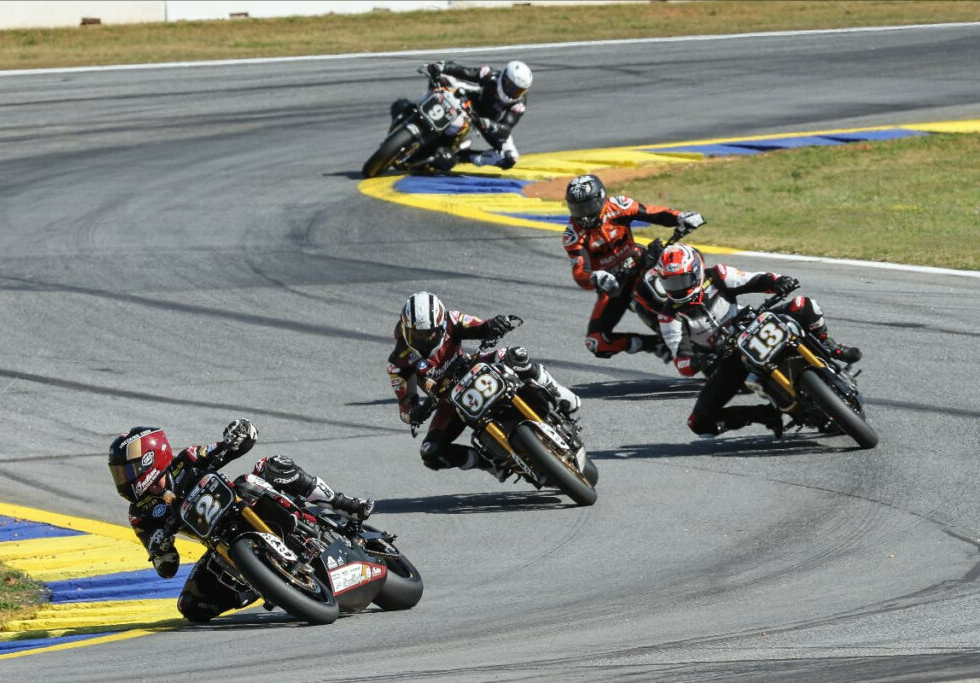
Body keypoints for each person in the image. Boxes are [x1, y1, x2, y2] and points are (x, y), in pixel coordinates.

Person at [107, 419, 374, 622]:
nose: (124, 479)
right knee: (191, 606)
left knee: (265, 468)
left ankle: (344, 505)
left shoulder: (187, 460)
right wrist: (159, 549)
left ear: (151, 459)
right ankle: (264, 583)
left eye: (127, 470)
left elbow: (231, 448)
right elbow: (167, 569)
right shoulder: (139, 515)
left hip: (251, 505)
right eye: (119, 474)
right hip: (221, 544)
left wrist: (239, 434)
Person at [654, 243, 863, 438]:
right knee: (699, 423)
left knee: (804, 305)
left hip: (751, 325)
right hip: (727, 358)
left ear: (696, 271)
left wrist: (779, 282)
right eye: (670, 283)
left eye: (682, 280)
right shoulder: (669, 315)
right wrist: (698, 362)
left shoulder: (717, 275)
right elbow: (681, 358)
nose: (678, 288)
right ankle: (763, 414)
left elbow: (755, 279)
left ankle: (829, 345)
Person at [387, 291, 580, 478]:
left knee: (516, 354)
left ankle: (559, 393)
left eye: (430, 333)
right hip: (448, 402)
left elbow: (481, 326)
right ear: (405, 329)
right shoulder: (398, 362)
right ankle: (489, 464)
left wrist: (496, 324)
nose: (425, 339)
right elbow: (405, 405)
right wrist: (415, 412)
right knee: (430, 452)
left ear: (441, 325)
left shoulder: (451, 320)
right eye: (417, 334)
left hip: (474, 368)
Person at [562, 173, 705, 360]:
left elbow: (653, 212)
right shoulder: (572, 235)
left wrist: (680, 217)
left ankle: (712, 299)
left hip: (640, 264)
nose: (583, 214)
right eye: (577, 208)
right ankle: (655, 344)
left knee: (680, 262)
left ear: (601, 199)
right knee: (596, 342)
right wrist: (595, 277)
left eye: (587, 207)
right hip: (614, 284)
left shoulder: (618, 206)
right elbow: (579, 272)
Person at [391, 59, 532, 171]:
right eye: (512, 87)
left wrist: (490, 125)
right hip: (473, 100)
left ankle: (462, 157)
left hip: (491, 124)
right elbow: (463, 71)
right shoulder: (490, 75)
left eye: (519, 90)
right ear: (504, 78)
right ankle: (417, 108)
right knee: (444, 80)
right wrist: (442, 66)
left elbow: (506, 128)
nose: (514, 93)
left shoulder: (518, 104)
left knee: (510, 158)